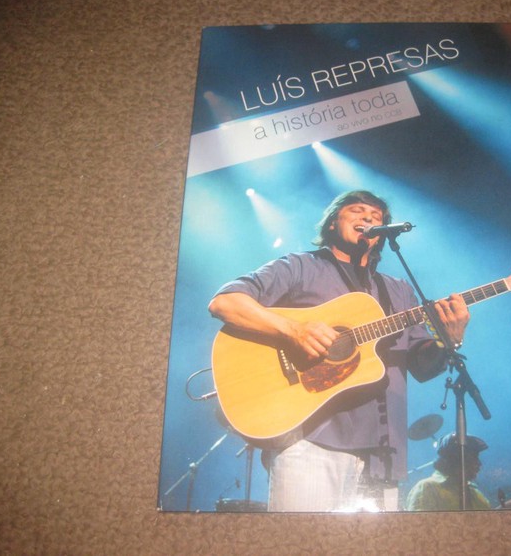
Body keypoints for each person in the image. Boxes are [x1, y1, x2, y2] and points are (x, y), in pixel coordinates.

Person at [208, 190, 470, 512]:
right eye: (357, 211)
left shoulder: (399, 290)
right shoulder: (301, 267)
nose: (368, 218)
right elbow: (225, 302)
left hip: (384, 455)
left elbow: (423, 367)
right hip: (310, 443)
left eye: (376, 216)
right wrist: (294, 330)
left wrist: (447, 340)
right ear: (333, 223)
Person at [405, 432, 491, 511]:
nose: (479, 463)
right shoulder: (428, 487)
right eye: (472, 457)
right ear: (453, 459)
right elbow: (418, 522)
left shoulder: (477, 495)